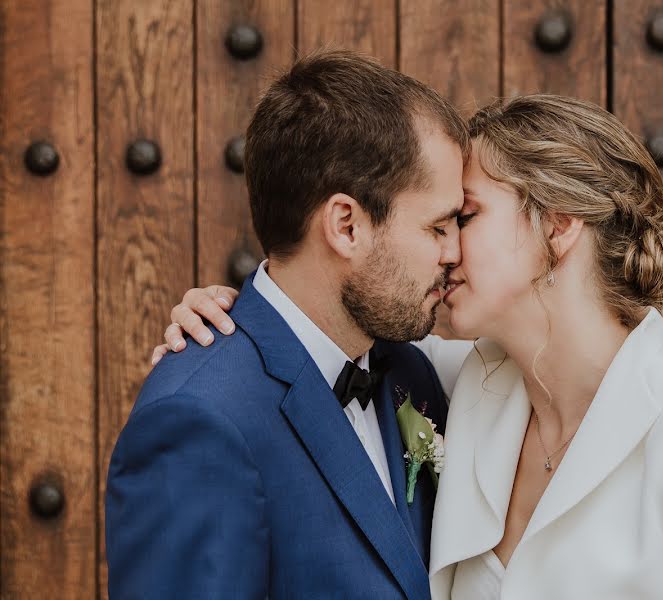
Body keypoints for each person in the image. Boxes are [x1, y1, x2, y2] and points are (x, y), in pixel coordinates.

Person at [157, 95, 663, 599]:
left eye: (464, 217)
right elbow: (317, 333)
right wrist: (233, 321)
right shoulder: (452, 384)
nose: (443, 249)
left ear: (557, 225)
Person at [105, 49, 470, 599]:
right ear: (346, 225)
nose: (455, 252)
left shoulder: (411, 373)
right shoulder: (200, 418)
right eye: (438, 227)